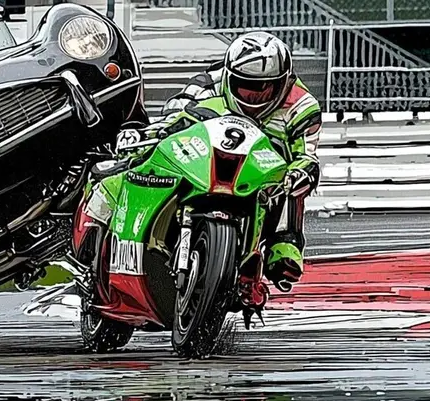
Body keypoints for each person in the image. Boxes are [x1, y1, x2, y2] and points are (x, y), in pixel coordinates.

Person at [81, 30, 322, 294]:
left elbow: (306, 154)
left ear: (284, 82)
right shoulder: (210, 81)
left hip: (260, 174)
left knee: (294, 182)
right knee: (119, 168)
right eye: (244, 86)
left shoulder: (303, 106)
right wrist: (144, 136)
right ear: (229, 76)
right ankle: (91, 249)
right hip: (203, 160)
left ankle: (283, 246)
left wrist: (301, 173)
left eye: (266, 88)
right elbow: (174, 116)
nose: (253, 96)